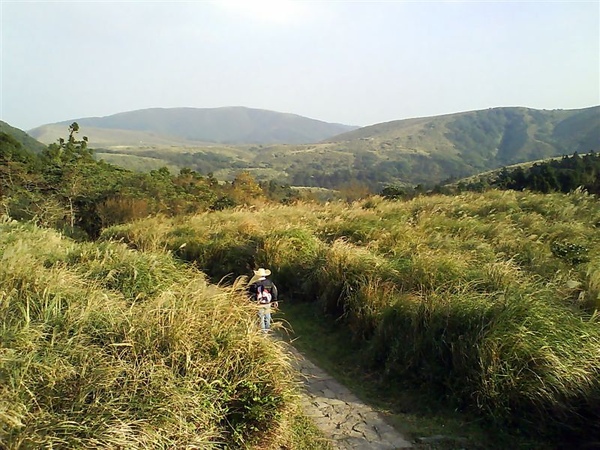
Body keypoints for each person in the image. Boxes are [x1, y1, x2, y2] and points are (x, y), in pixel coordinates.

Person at [248, 267, 279, 333]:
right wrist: (275, 301)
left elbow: (251, 294)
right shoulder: (270, 283)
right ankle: (267, 331)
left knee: (261, 318)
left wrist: (252, 302)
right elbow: (274, 291)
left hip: (259, 304)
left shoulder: (255, 284)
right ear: (265, 275)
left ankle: (263, 333)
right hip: (267, 303)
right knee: (267, 318)